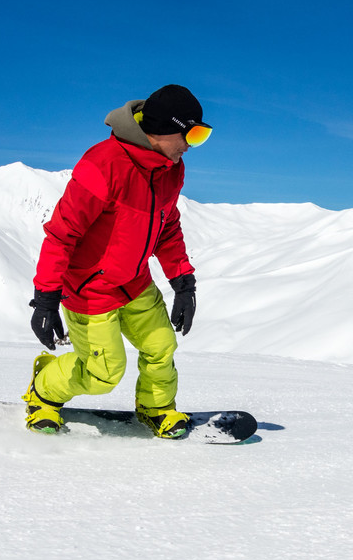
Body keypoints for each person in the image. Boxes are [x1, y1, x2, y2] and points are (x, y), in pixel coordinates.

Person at [22, 84, 212, 436]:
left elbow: (167, 226)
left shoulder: (172, 169)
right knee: (102, 374)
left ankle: (156, 408)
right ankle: (43, 390)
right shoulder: (103, 165)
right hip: (89, 289)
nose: (190, 145)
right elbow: (62, 233)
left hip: (135, 281)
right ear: (164, 129)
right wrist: (46, 297)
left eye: (200, 135)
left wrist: (183, 282)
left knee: (160, 346)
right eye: (192, 134)